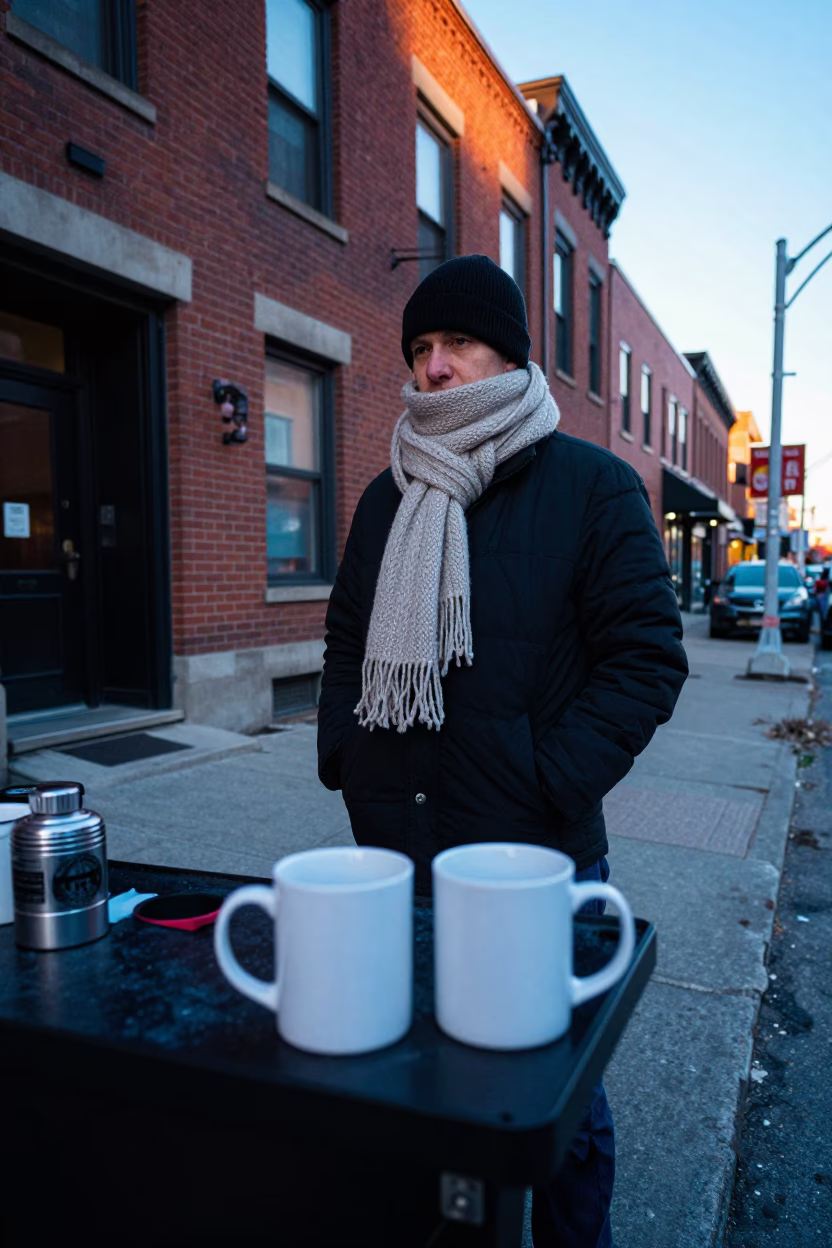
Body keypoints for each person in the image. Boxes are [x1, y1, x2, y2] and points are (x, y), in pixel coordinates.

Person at [317, 254, 688, 1247]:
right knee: (415, 1089)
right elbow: (347, 638)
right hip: (397, 851)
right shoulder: (385, 498)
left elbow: (646, 661)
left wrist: (545, 781)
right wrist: (346, 757)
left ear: (511, 354)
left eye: (457, 343)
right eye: (420, 349)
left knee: (557, 1108)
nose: (432, 367)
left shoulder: (593, 489)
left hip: (534, 864)